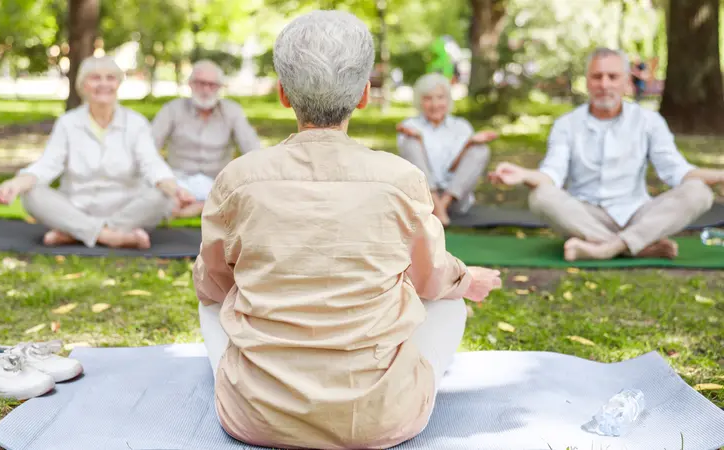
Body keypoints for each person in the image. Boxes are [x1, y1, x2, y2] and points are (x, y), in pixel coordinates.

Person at [193, 10, 502, 450]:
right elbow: (431, 277)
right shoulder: (400, 179)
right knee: (451, 304)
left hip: (256, 418)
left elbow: (213, 282)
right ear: (363, 95)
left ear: (283, 94)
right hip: (381, 421)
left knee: (210, 300)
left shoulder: (237, 179)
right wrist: (468, 280)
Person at [489, 48, 722, 262]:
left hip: (637, 214)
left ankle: (606, 248)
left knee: (699, 192)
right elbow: (552, 175)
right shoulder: (566, 124)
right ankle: (636, 246)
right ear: (587, 82)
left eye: (613, 77)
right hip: (586, 216)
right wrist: (522, 174)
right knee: (540, 196)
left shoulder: (649, 122)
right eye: (597, 77)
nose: (604, 84)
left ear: (627, 82)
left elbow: (679, 173)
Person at [0, 56, 194, 249]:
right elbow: (47, 165)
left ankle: (75, 233)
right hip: (76, 208)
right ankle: (111, 237)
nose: (103, 84)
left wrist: (176, 190)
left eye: (110, 78)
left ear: (118, 84)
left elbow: (153, 165)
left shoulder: (136, 123)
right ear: (83, 85)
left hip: (126, 211)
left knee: (164, 196)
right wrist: (14, 185)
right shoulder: (68, 123)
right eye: (95, 78)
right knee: (31, 194)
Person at [151, 60, 261, 218]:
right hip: (179, 181)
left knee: (249, 195)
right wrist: (166, 182)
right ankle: (206, 206)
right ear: (190, 84)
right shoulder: (172, 109)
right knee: (155, 199)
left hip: (218, 182)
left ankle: (200, 207)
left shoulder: (232, 111)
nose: (206, 90)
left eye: (212, 85)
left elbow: (252, 148)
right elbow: (150, 147)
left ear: (219, 87)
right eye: (200, 83)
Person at [396, 73, 498, 226]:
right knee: (411, 142)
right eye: (428, 98)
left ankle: (440, 208)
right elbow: (416, 165)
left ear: (448, 99)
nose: (435, 104)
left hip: (455, 200)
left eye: (440, 97)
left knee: (480, 149)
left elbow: (454, 168)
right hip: (421, 198)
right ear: (420, 101)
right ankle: (438, 209)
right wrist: (420, 140)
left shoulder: (461, 126)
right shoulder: (410, 125)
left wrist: (469, 144)